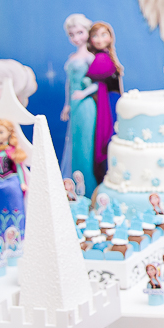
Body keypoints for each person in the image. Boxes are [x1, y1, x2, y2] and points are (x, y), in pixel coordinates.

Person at [60, 13, 98, 197]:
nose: (76, 37)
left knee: (85, 144)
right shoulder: (73, 56)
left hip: (86, 105)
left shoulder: (90, 57)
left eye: (80, 32)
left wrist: (84, 92)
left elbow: (99, 83)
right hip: (74, 106)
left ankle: (88, 189)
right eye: (72, 34)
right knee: (74, 143)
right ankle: (74, 188)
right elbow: (69, 83)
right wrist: (67, 104)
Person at [85, 21, 123, 187]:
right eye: (95, 36)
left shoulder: (108, 55)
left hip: (115, 101)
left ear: (110, 36)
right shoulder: (100, 59)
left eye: (103, 34)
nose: (99, 39)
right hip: (107, 103)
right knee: (108, 137)